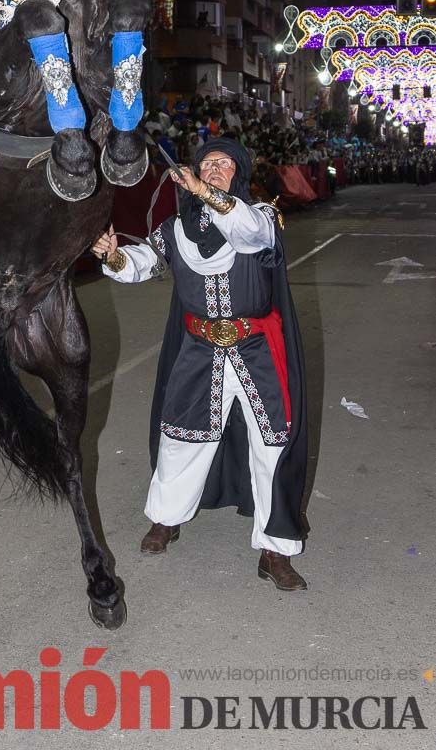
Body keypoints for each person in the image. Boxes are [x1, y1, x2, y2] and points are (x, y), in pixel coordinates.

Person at [91, 137, 309, 592]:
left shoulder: (261, 217)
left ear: (239, 176)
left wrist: (204, 191)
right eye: (207, 163)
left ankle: (275, 549)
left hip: (256, 350)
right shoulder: (175, 229)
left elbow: (247, 234)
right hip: (199, 349)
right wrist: (112, 254)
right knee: (181, 441)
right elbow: (142, 263)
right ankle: (166, 519)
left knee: (273, 447)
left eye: (224, 165)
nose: (213, 170)